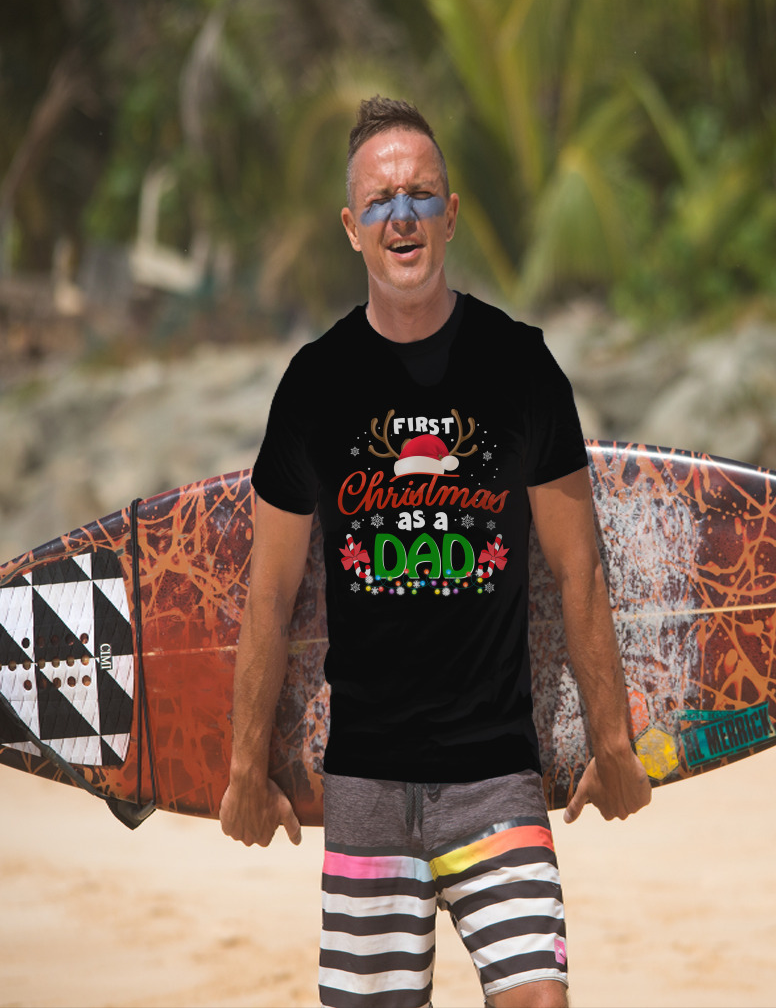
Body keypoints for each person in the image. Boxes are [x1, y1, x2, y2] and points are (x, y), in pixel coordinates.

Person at [220, 95, 651, 1008]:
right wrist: (242, 767)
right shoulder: (314, 385)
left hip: (496, 774)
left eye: (421, 195)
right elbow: (269, 596)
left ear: (451, 214)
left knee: (540, 998)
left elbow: (579, 570)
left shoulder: (522, 366)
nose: (402, 215)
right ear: (351, 228)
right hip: (367, 781)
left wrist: (612, 741)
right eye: (380, 201)